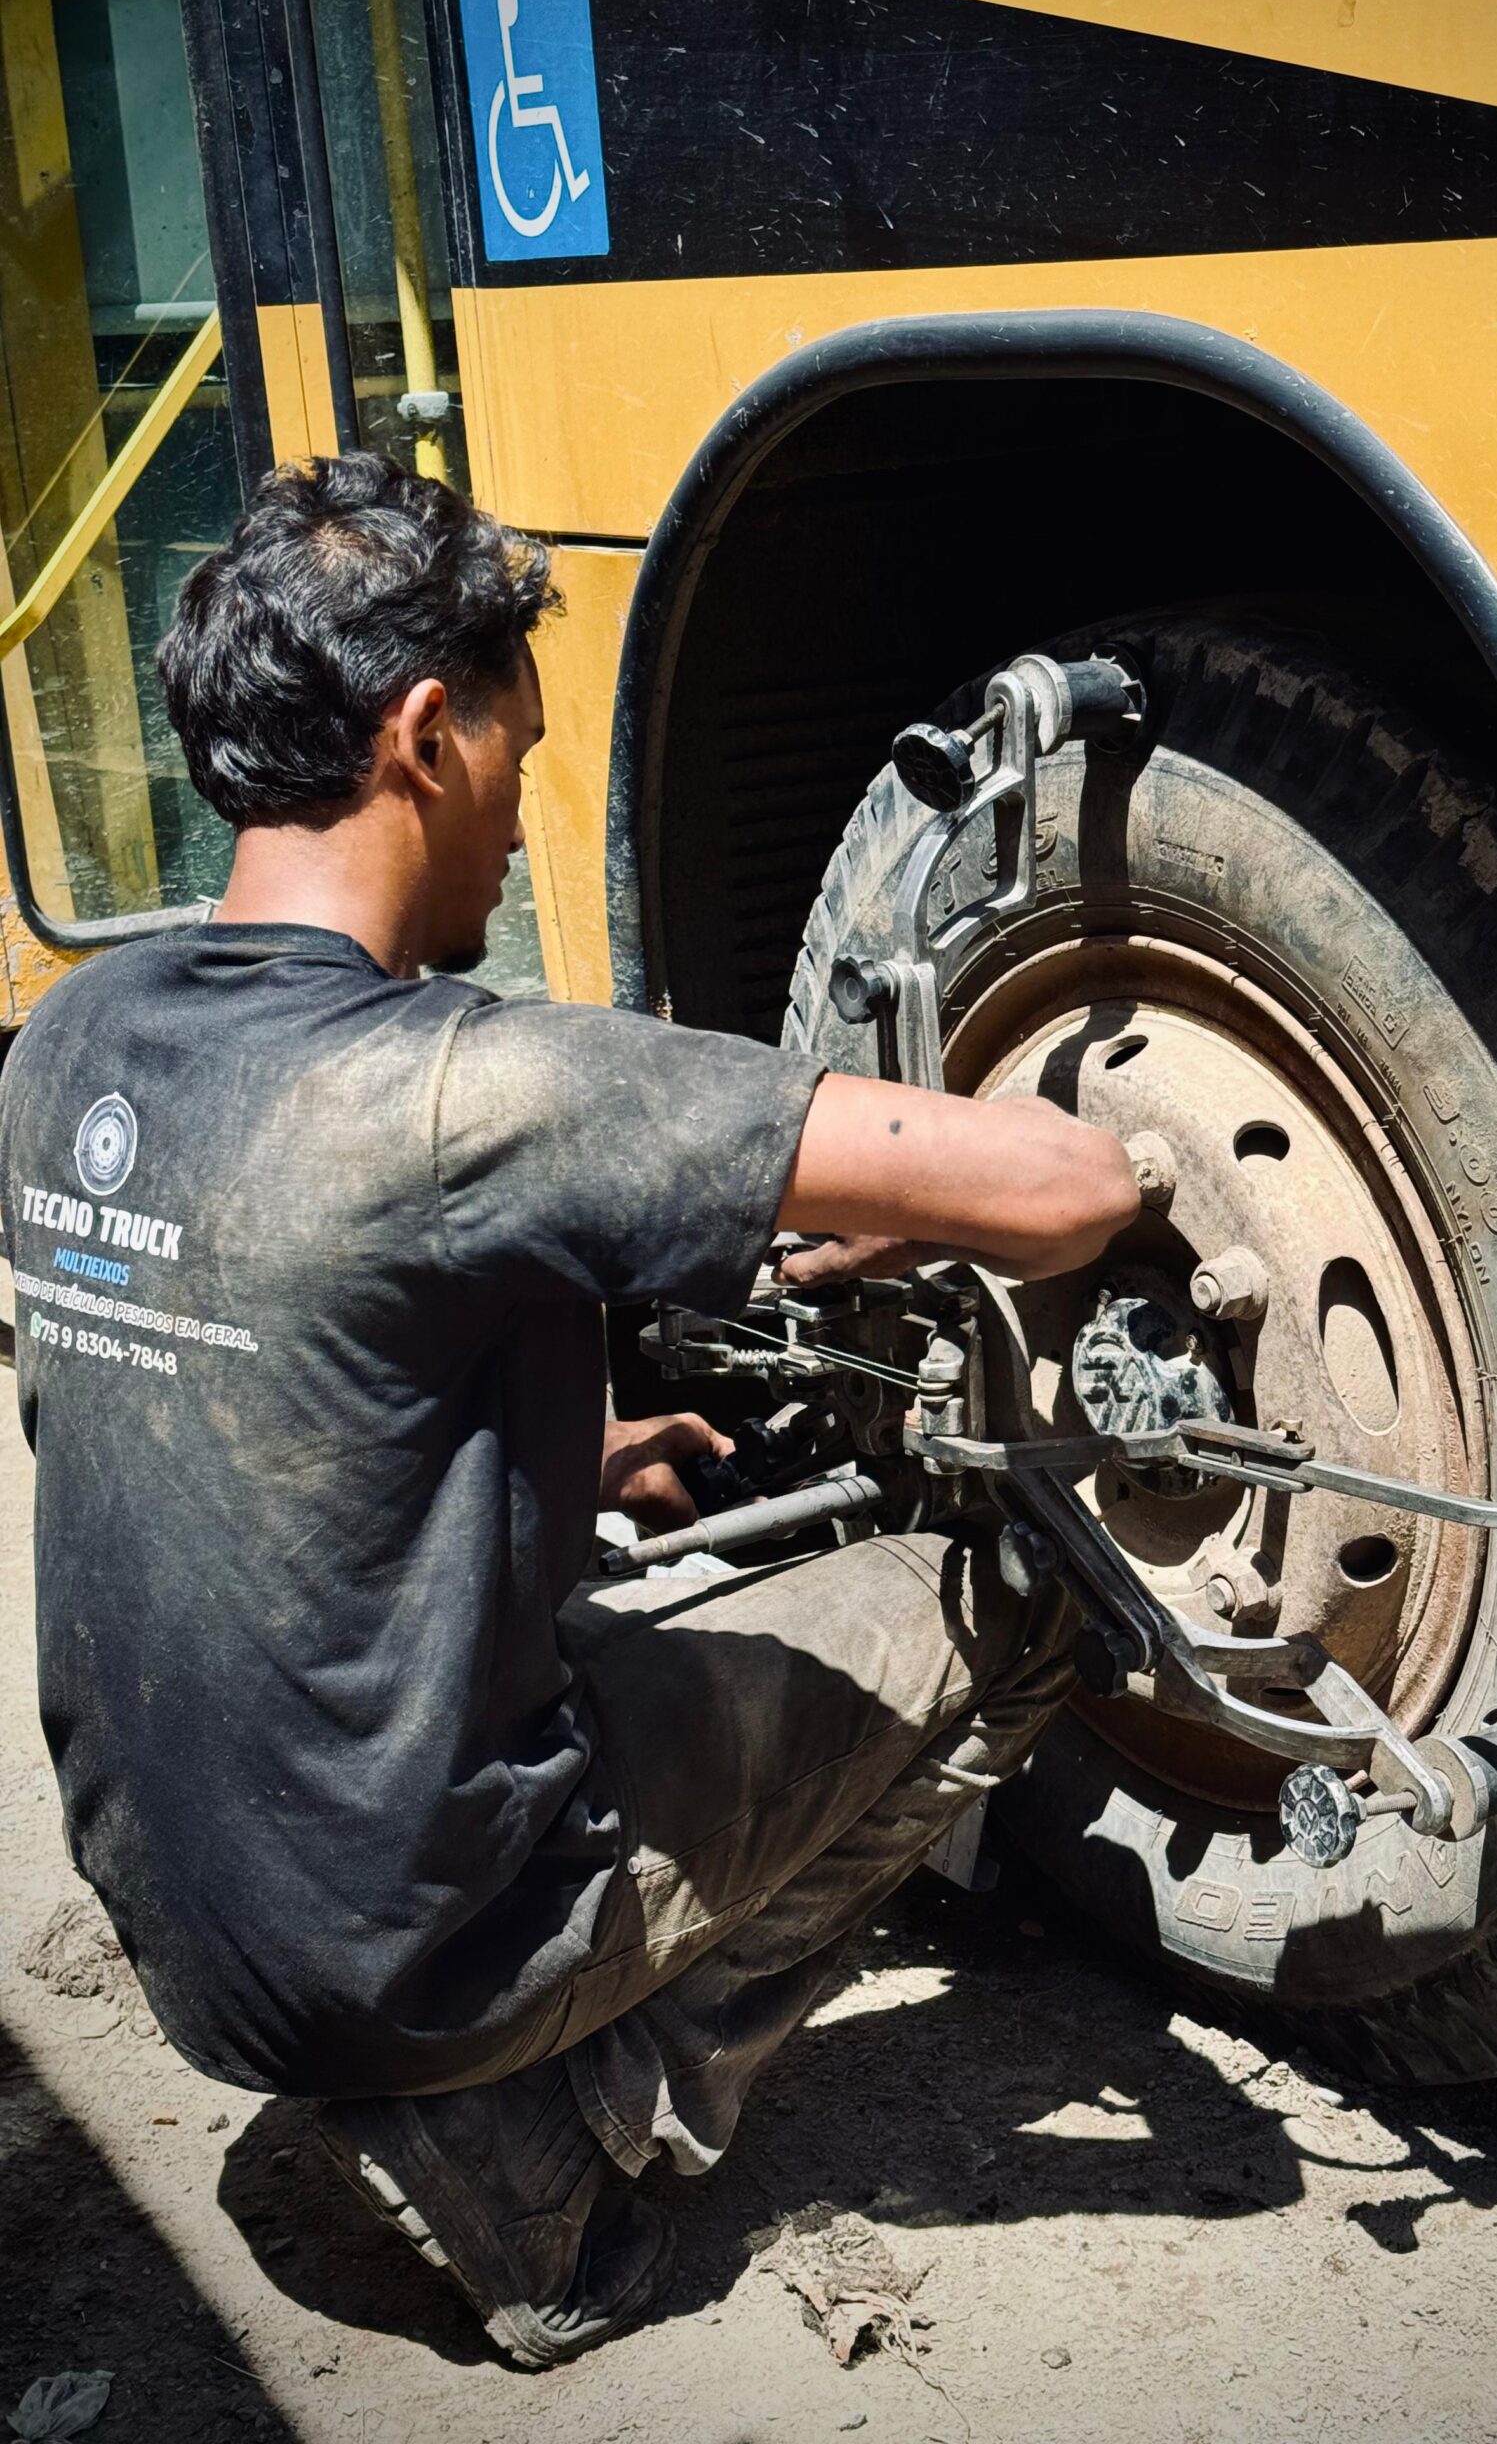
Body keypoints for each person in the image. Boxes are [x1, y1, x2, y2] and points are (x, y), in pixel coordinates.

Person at [0, 452, 1138, 2369]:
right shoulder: (464, 1086)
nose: (523, 835)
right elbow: (1067, 1193)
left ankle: (478, 2047)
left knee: (617, 1602)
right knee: (997, 1609)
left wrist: (565, 1455)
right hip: (400, 1950)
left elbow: (238, 1373)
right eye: (520, 763)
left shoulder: (67, 1044)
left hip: (188, 1928)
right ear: (425, 736)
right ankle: (565, 2132)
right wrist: (954, 1170)